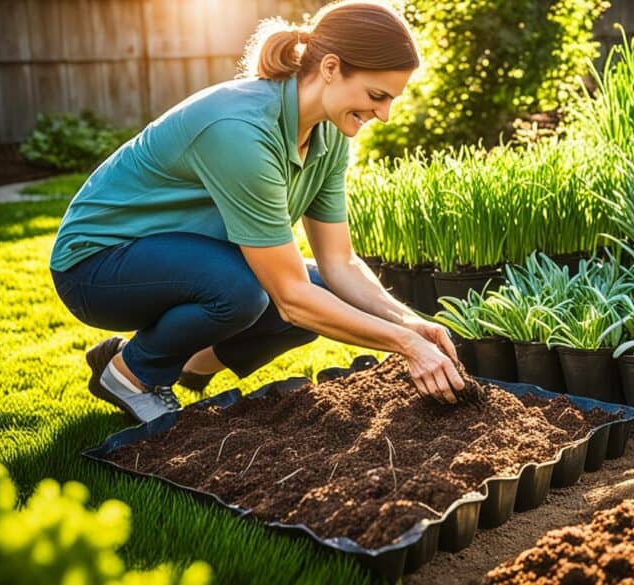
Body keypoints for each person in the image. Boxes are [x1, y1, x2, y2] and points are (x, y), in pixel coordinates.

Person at [49, 0, 466, 423]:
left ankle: (186, 362)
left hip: (173, 260)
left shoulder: (330, 133)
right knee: (246, 292)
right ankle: (132, 373)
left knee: (324, 290)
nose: (385, 114)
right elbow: (290, 297)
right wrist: (405, 346)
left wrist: (413, 325)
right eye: (377, 96)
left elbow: (340, 262)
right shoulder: (242, 131)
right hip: (96, 265)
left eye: (391, 100)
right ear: (330, 68)